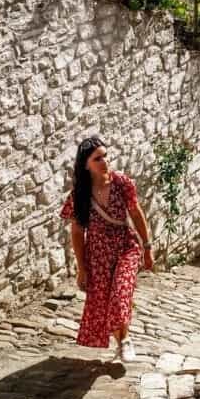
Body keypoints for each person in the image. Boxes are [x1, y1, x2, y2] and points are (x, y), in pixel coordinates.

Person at [61, 136, 154, 362]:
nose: (104, 161)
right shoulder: (79, 196)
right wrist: (82, 269)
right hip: (98, 254)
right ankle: (121, 341)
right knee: (103, 301)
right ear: (86, 165)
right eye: (97, 158)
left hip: (125, 246)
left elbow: (135, 213)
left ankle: (125, 341)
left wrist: (147, 247)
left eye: (105, 156)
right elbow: (76, 233)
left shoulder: (122, 183)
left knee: (120, 294)